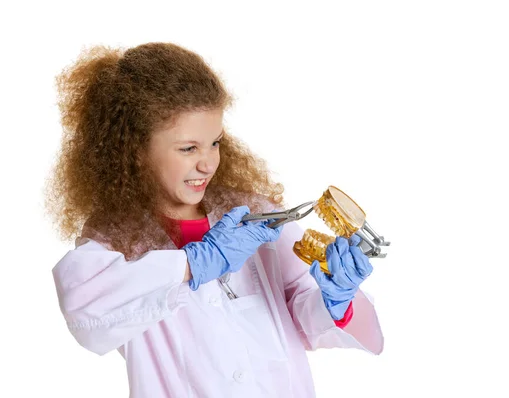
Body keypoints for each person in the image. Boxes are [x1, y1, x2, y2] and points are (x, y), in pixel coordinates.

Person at [45, 42, 383, 398]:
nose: (208, 163)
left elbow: (303, 315)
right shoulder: (117, 242)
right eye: (188, 148)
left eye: (215, 143)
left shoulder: (256, 217)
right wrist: (192, 265)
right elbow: (87, 317)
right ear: (136, 151)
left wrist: (336, 300)